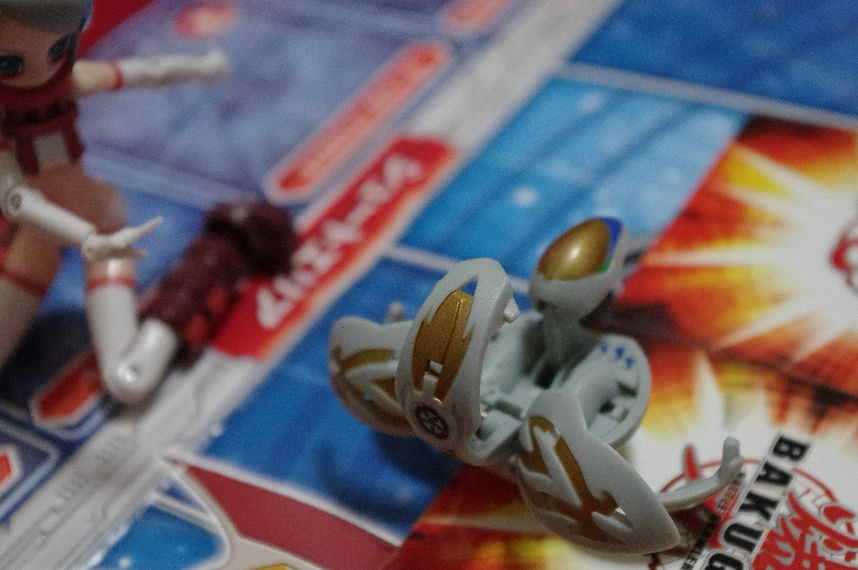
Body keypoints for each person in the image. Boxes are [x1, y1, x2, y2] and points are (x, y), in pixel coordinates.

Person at [0, 0, 227, 403]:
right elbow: (16, 201)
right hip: (49, 237)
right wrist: (84, 238)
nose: (42, 70)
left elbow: (147, 72)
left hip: (97, 219)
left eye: (58, 48)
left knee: (126, 380)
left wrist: (203, 67)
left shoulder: (69, 81)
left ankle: (178, 310)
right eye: (10, 64)